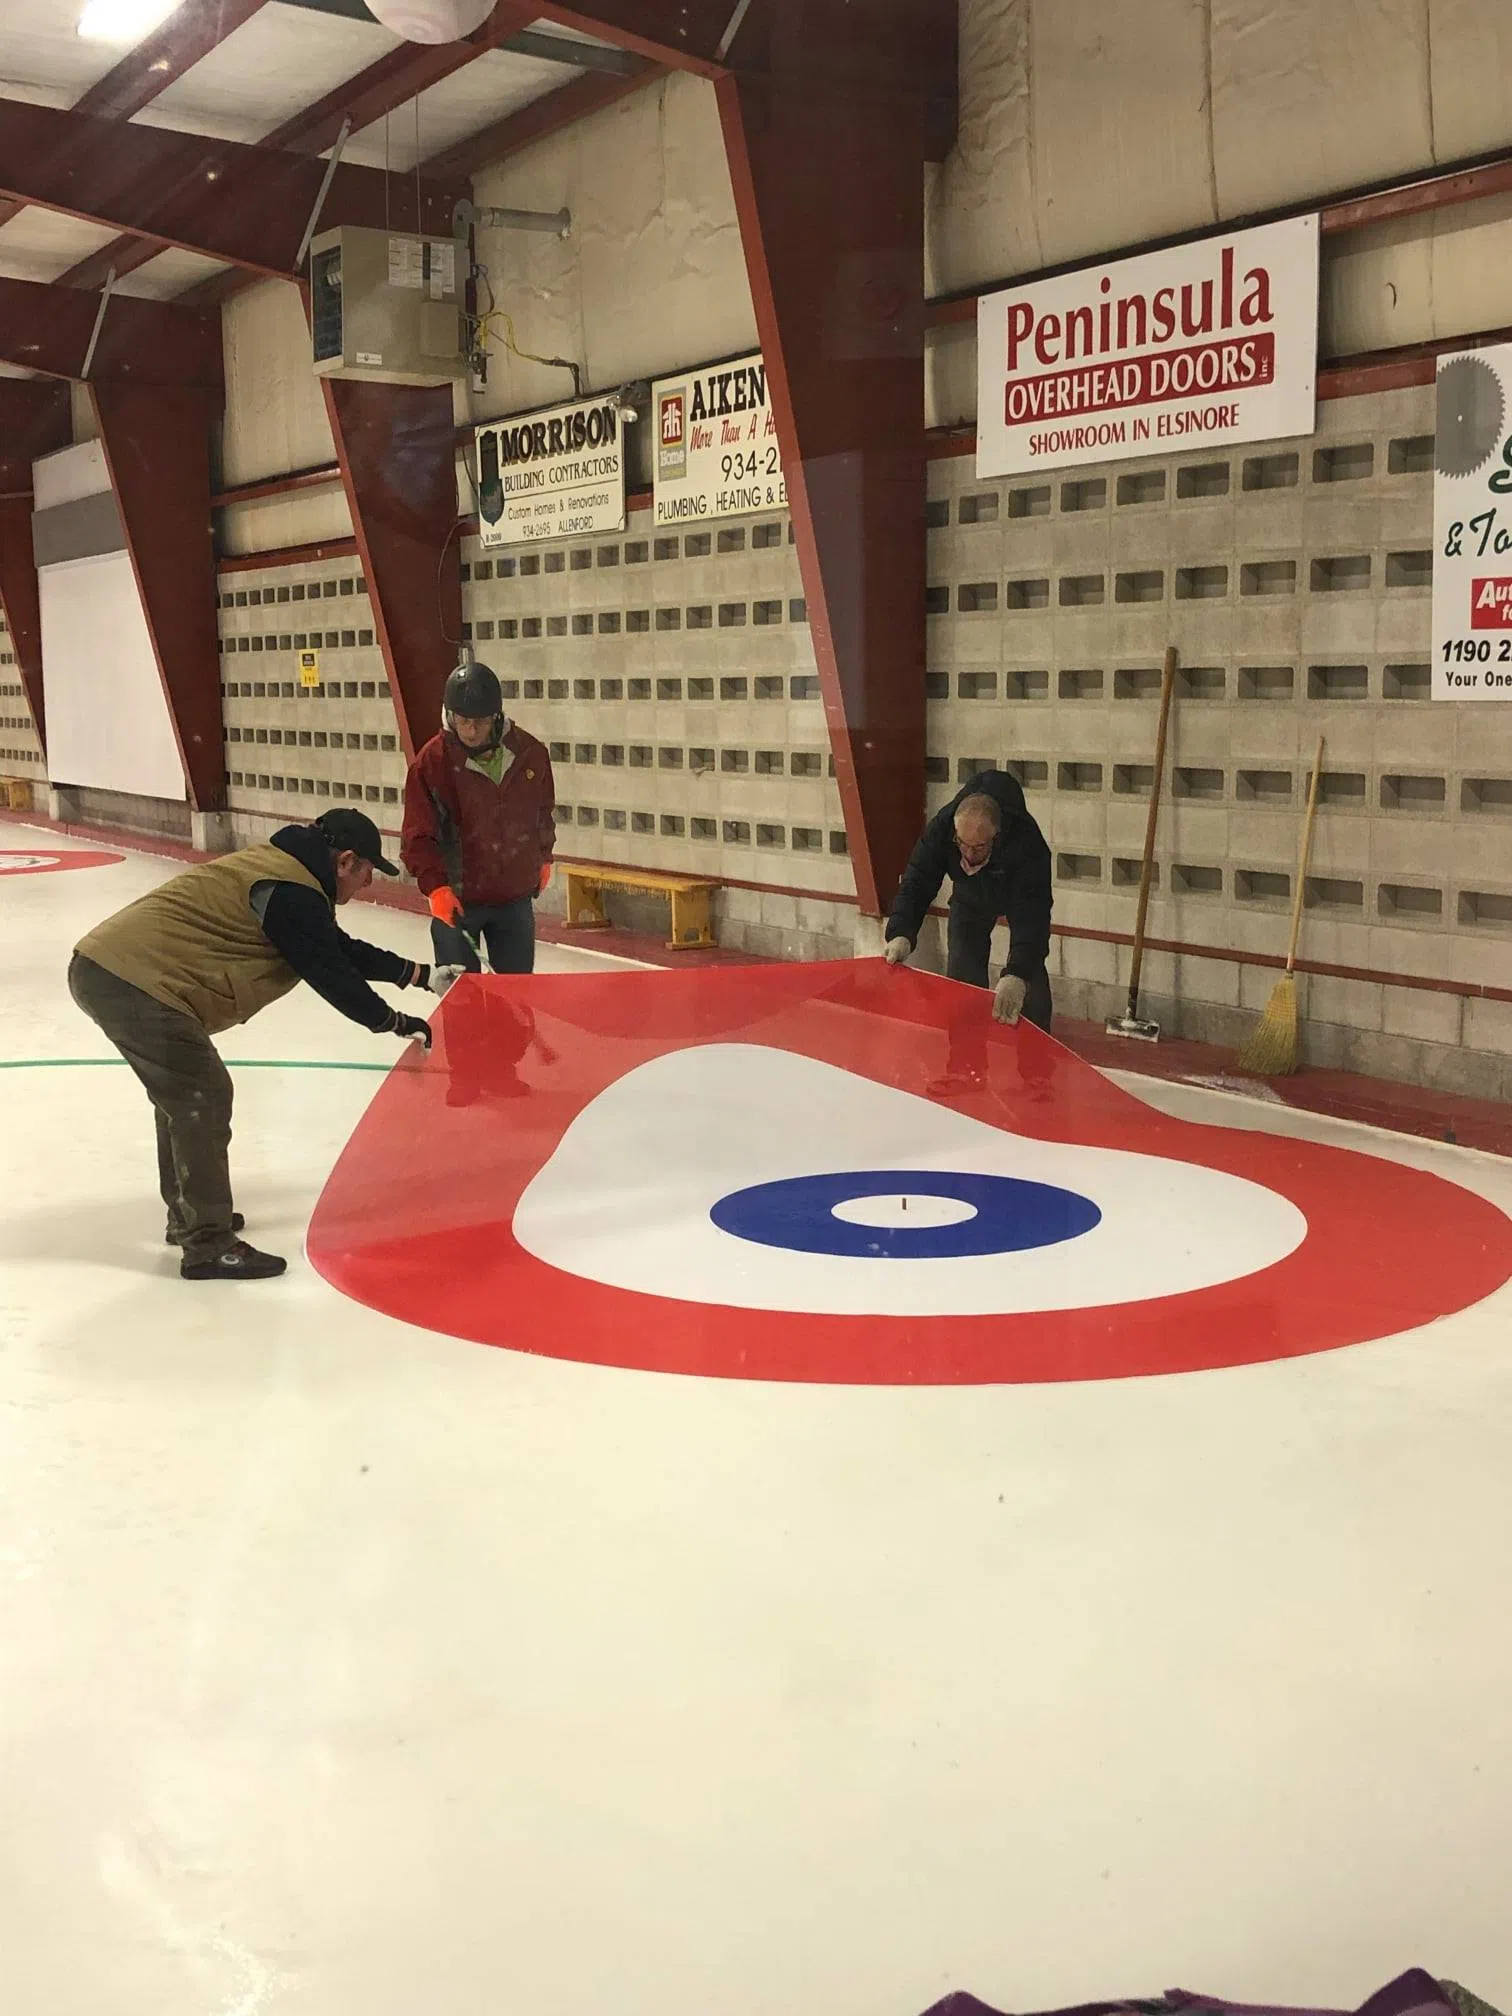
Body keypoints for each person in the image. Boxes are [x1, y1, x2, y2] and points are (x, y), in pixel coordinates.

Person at [68, 808, 454, 1283]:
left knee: (184, 1094)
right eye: (368, 870)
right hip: (132, 980)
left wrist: (418, 976)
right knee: (201, 1094)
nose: (370, 882)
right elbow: (329, 974)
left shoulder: (287, 875)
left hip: (115, 970)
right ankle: (208, 1244)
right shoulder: (291, 892)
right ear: (345, 861)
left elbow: (336, 948)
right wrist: (393, 1022)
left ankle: (192, 1216)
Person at [401, 658, 556, 976]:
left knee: (516, 999)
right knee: (461, 999)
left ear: (497, 716)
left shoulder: (530, 754)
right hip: (457, 899)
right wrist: (435, 888)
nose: (471, 731)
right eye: (462, 721)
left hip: (513, 897)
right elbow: (418, 835)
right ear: (449, 716)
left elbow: (542, 811)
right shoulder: (431, 765)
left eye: (481, 722)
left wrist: (543, 856)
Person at [884, 769, 1054, 1028]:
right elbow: (917, 880)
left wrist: (1018, 974)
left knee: (1028, 986)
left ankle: (1037, 1058)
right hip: (969, 897)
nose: (969, 853)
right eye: (962, 844)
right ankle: (966, 1056)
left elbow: (1034, 915)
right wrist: (901, 932)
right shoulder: (942, 827)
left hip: (1015, 893)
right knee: (963, 981)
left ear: (997, 837)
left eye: (978, 847)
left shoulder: (1027, 843)